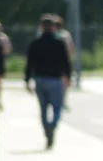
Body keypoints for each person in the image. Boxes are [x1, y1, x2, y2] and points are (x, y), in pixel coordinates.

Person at [25, 15, 72, 149]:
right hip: (55, 79)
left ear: (41, 27)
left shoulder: (35, 43)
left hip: (40, 79)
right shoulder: (59, 43)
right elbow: (66, 62)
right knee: (57, 108)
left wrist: (27, 80)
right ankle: (52, 126)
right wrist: (68, 77)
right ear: (53, 27)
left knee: (43, 109)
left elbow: (29, 64)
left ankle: (47, 130)